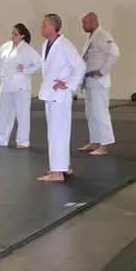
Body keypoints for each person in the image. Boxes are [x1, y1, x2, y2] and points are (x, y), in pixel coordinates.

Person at [37, 13, 86, 182]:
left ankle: (57, 173)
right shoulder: (46, 44)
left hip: (60, 95)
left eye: (44, 24)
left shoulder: (65, 45)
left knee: (57, 133)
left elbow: (80, 66)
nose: (41, 27)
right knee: (57, 132)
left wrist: (68, 83)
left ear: (52, 27)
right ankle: (65, 166)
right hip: (50, 94)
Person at [0, 23, 42, 149]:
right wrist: (0, 72)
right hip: (6, 84)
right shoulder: (6, 46)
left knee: (22, 114)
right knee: (3, 113)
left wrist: (26, 69)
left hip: (21, 86)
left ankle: (23, 141)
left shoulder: (27, 49)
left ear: (22, 36)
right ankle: (2, 139)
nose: (12, 36)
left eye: (15, 34)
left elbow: (40, 64)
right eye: (12, 33)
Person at [77, 11, 121, 155]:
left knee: (100, 113)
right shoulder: (91, 38)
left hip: (98, 81)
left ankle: (104, 145)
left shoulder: (103, 36)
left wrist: (102, 71)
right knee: (90, 113)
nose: (83, 25)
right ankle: (95, 141)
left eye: (85, 22)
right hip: (90, 81)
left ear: (93, 22)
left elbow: (114, 53)